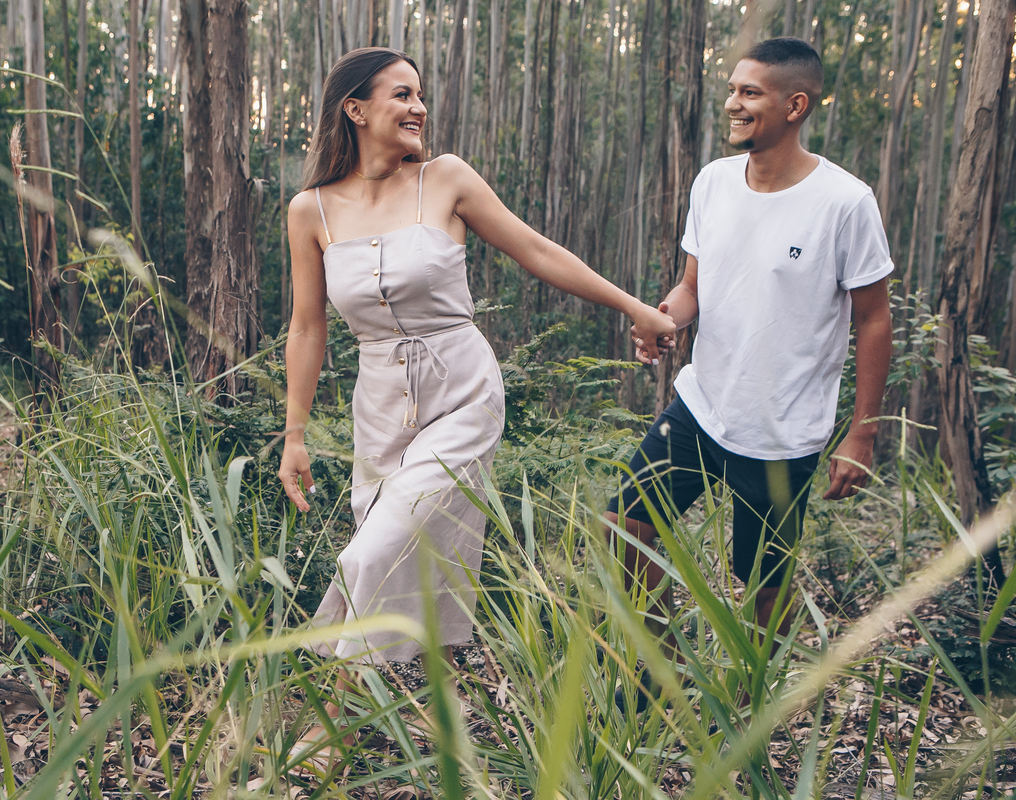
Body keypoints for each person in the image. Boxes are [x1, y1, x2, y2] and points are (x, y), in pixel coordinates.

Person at [278, 46, 676, 768]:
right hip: (379, 405)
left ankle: (329, 721)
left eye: (421, 95)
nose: (419, 108)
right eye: (402, 95)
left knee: (369, 550)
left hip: (461, 391)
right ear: (356, 108)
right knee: (392, 550)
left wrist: (632, 306)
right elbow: (307, 326)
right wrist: (294, 434)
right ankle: (408, 697)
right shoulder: (310, 211)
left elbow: (535, 249)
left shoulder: (446, 178)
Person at [607, 37, 893, 710]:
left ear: (795, 105)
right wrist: (663, 319)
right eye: (733, 89)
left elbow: (874, 320)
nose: (732, 103)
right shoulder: (712, 183)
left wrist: (863, 435)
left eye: (749, 93)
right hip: (702, 406)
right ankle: (661, 675)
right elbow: (692, 288)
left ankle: (750, 703)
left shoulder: (844, 202)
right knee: (625, 523)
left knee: (763, 582)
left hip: (782, 430)